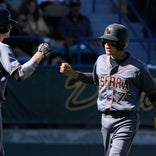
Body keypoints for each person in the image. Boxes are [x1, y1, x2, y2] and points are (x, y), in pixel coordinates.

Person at [60, 23, 156, 156]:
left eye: (112, 42)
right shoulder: (100, 61)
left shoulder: (137, 68)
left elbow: (153, 92)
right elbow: (95, 79)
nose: (106, 44)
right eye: (105, 41)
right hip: (105, 119)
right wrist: (74, 74)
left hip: (126, 119)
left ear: (122, 44)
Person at [0, 7, 51, 156]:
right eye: (8, 24)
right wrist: (40, 54)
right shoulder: (2, 47)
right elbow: (20, 74)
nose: (11, 26)